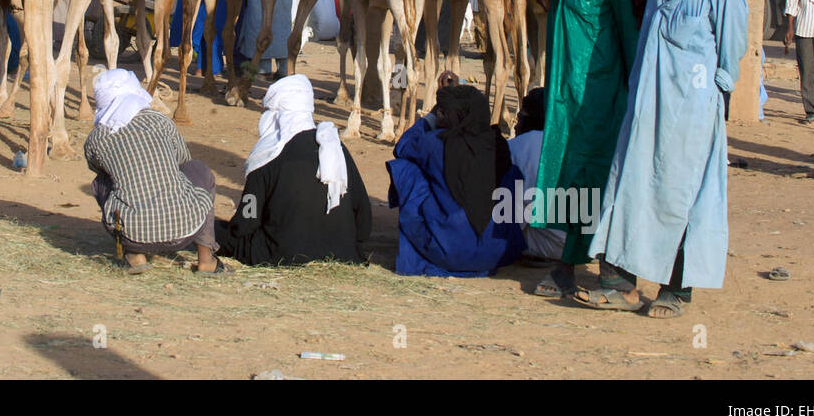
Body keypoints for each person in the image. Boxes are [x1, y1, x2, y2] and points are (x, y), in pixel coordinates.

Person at [575, 0, 748, 318]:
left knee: (683, 196)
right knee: (629, 183)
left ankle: (677, 290)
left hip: (690, 113)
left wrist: (715, 105)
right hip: (646, 101)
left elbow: (730, 53)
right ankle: (618, 283)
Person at [528, 0, 646, 298]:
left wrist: (636, 86)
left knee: (600, 173)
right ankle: (566, 265)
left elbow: (627, 22)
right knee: (567, 171)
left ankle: (614, 269)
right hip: (564, 89)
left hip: (603, 88)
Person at [216, 74, 370, 264]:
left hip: (280, 253)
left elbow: (246, 221)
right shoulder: (335, 149)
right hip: (343, 253)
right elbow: (364, 220)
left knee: (213, 231)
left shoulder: (267, 156)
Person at [84, 69, 223, 274]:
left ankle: (134, 255)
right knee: (198, 170)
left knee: (101, 182)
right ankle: (206, 259)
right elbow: (183, 161)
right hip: (186, 229)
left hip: (134, 235)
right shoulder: (161, 121)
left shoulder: (96, 139)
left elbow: (97, 167)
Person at [386, 83, 525, 277]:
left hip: (447, 250)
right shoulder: (498, 144)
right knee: (512, 175)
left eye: (444, 112)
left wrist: (431, 117)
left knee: (407, 170)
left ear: (454, 116)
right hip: (498, 252)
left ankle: (427, 246)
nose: (441, 117)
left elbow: (402, 147)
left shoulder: (434, 143)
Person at [506, 88, 567, 261]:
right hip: (579, 245)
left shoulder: (520, 145)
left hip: (546, 243)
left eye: (519, 119)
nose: (516, 126)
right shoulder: (569, 143)